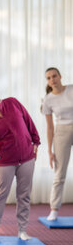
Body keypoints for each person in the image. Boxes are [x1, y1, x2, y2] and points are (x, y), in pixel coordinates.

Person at [0, 85, 40, 241]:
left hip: (27, 158)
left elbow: (28, 121)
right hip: (4, 162)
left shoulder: (12, 103)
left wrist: (36, 141)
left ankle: (22, 230)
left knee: (24, 195)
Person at [41, 67, 73, 221]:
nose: (52, 79)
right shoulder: (48, 99)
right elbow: (49, 127)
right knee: (59, 173)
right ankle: (54, 209)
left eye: (54, 76)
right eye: (48, 78)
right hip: (61, 131)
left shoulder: (71, 90)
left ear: (60, 76)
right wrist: (49, 150)